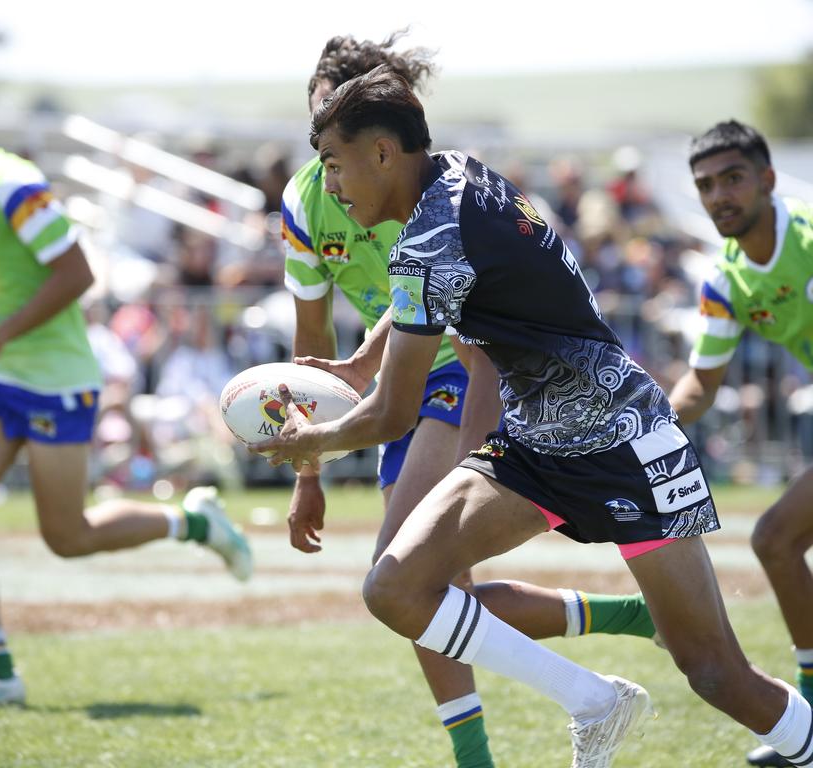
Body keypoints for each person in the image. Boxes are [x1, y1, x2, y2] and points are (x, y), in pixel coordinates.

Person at [254, 68, 813, 767]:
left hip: (620, 441)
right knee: (395, 587)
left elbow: (394, 413)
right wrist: (366, 367)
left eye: (334, 166)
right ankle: (594, 700)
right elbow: (432, 306)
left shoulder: (428, 241)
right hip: (534, 444)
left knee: (714, 673)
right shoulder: (458, 174)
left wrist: (312, 441)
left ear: (382, 154)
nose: (330, 188)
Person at [281, 34, 658, 768]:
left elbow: (429, 273)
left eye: (340, 113)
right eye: (318, 113)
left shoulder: (418, 182)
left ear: (379, 134)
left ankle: (547, 722)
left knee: (403, 576)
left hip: (457, 368)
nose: (327, 129)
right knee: (435, 590)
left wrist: (345, 405)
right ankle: (626, 625)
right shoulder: (307, 202)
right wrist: (310, 473)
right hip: (396, 382)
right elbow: (314, 345)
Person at [0, 68, 252, 712]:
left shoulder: (14, 185)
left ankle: (194, 521)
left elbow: (76, 274)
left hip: (58, 380)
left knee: (67, 536)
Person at [667, 120, 813, 768]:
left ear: (767, 180)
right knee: (776, 540)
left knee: (776, 538)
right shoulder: (724, 278)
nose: (719, 195)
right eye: (705, 185)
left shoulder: (808, 237)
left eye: (732, 178)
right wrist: (644, 432)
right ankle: (807, 719)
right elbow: (702, 382)